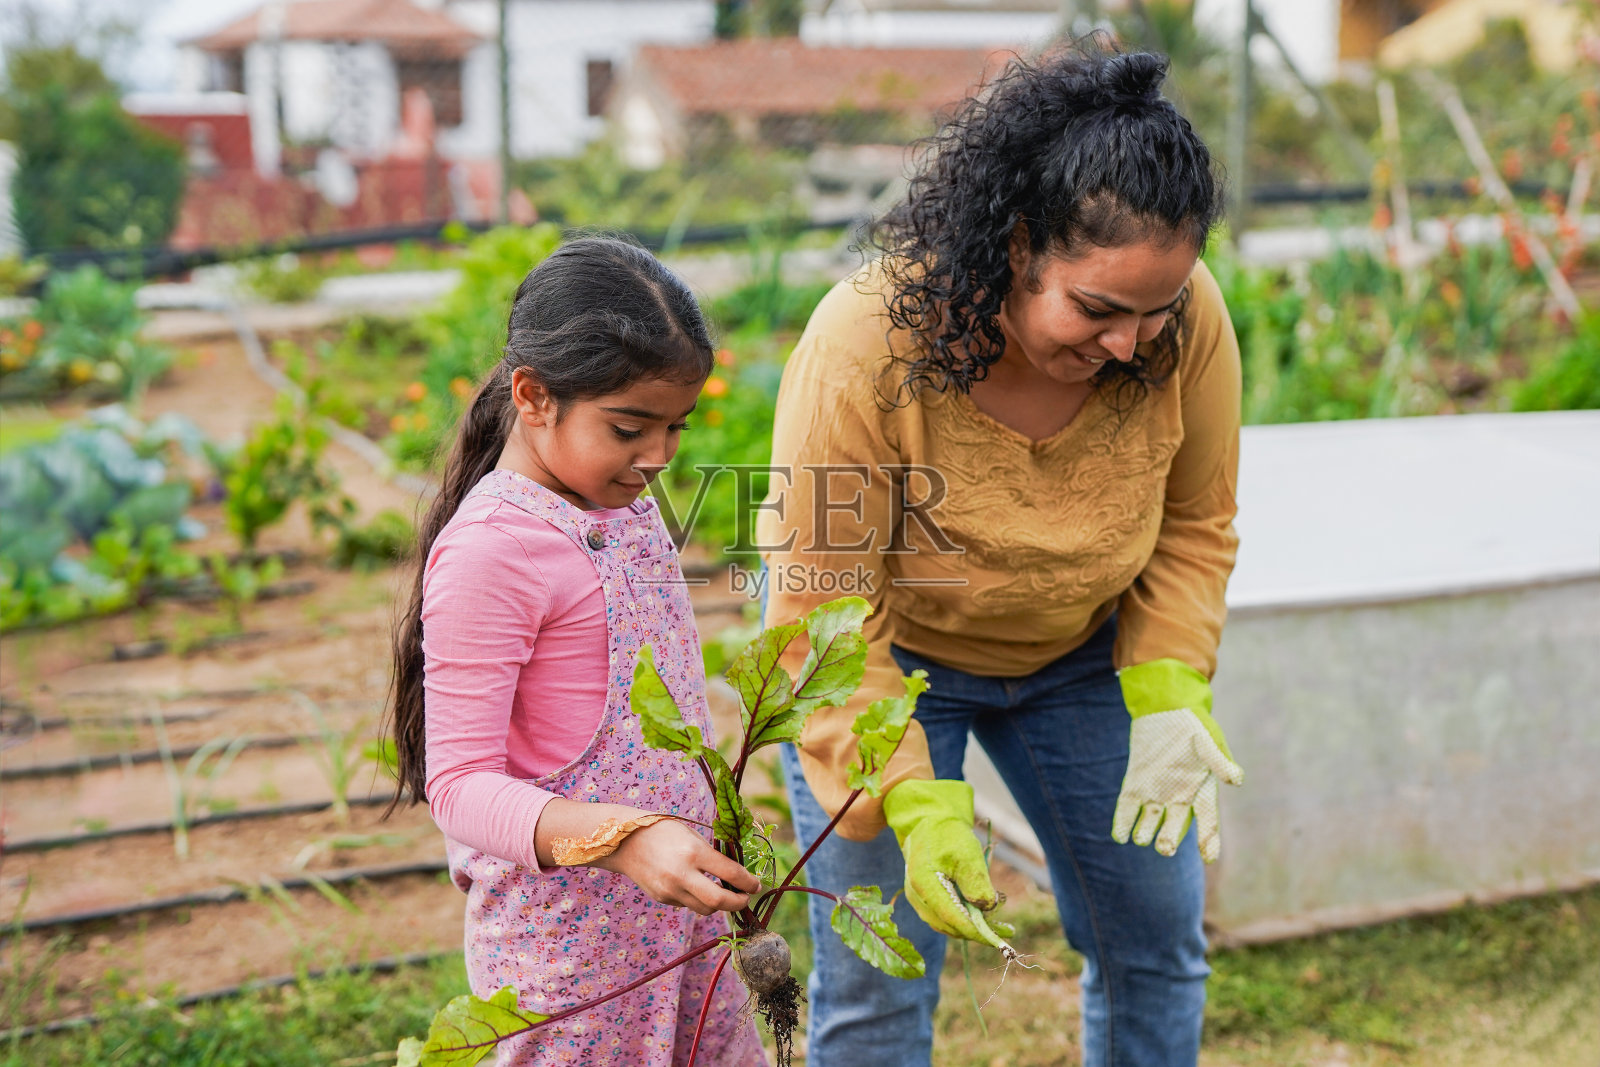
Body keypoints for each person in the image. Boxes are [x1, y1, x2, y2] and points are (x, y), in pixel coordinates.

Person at [757, 43, 1245, 1066]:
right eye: (1098, 309)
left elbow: (1196, 520)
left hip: (1081, 660)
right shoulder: (863, 347)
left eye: (1157, 309)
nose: (1132, 342)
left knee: (1155, 944)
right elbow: (819, 603)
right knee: (881, 981)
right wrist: (908, 789)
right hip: (890, 673)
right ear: (1014, 245)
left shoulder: (1189, 329)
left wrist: (1164, 677)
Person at [388, 237, 766, 1066]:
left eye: (676, 426)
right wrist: (626, 839)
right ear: (534, 397)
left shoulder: (620, 506)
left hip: (677, 932)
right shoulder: (494, 550)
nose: (661, 455)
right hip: (568, 961)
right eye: (631, 427)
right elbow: (460, 786)